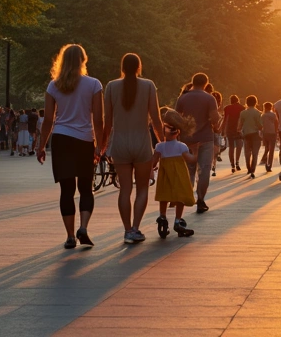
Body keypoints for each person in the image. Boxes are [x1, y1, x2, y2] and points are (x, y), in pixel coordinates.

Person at [38, 44, 104, 249]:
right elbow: (98, 119)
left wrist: (41, 146)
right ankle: (83, 227)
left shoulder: (54, 85)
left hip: (61, 139)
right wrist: (99, 146)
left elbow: (48, 119)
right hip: (84, 140)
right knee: (86, 187)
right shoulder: (94, 84)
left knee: (66, 190)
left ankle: (69, 236)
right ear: (84, 60)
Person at [103, 53, 162, 244]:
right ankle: (136, 227)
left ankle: (127, 229)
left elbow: (107, 121)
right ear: (139, 67)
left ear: (122, 67)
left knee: (125, 190)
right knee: (142, 188)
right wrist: (161, 142)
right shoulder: (148, 86)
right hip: (142, 142)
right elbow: (155, 118)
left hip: (120, 142)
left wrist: (102, 145)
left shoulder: (111, 87)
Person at [176, 73, 220, 213]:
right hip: (205, 138)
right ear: (206, 84)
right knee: (204, 170)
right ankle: (200, 200)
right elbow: (214, 119)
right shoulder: (210, 98)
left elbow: (176, 117)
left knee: (189, 169)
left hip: (187, 139)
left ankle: (187, 197)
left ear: (192, 82)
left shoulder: (183, 98)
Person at [153, 125, 196, 238]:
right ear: (178, 133)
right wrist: (196, 152)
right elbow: (190, 159)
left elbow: (153, 162)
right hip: (179, 176)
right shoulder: (182, 146)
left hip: (165, 175)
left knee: (164, 196)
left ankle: (162, 217)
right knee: (180, 197)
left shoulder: (159, 146)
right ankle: (177, 220)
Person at [239, 95, 263, 178]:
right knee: (255, 153)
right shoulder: (258, 113)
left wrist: (240, 131)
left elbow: (239, 125)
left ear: (246, 103)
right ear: (256, 103)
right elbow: (260, 126)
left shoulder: (243, 113)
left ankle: (248, 168)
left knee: (247, 153)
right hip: (255, 135)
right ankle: (253, 169)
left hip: (246, 135)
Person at [222, 95, 244, 173]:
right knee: (239, 146)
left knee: (231, 147)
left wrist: (222, 130)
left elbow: (225, 120)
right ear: (238, 100)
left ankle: (232, 164)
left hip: (229, 130)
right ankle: (237, 161)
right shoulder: (242, 107)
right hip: (238, 129)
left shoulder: (227, 108)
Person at [260, 101, 278, 172]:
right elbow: (276, 123)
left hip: (265, 133)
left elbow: (261, 125)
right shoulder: (273, 115)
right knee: (271, 149)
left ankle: (264, 160)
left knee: (267, 148)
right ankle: (269, 164)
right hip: (272, 133)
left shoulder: (263, 115)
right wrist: (276, 132)